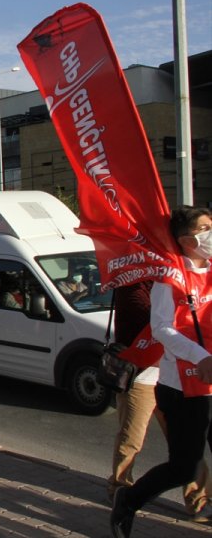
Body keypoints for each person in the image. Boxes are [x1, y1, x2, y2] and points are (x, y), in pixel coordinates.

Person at [111, 206, 212, 537]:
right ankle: (127, 498)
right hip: (181, 386)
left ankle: (200, 505)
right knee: (183, 466)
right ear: (186, 240)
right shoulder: (169, 279)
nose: (211, 233)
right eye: (205, 228)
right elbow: (161, 329)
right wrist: (200, 357)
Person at [106, 280, 210, 521]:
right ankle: (120, 488)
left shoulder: (180, 282)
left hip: (175, 378)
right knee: (131, 438)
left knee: (188, 446)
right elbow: (154, 322)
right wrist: (182, 310)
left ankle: (199, 501)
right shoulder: (132, 286)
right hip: (142, 376)